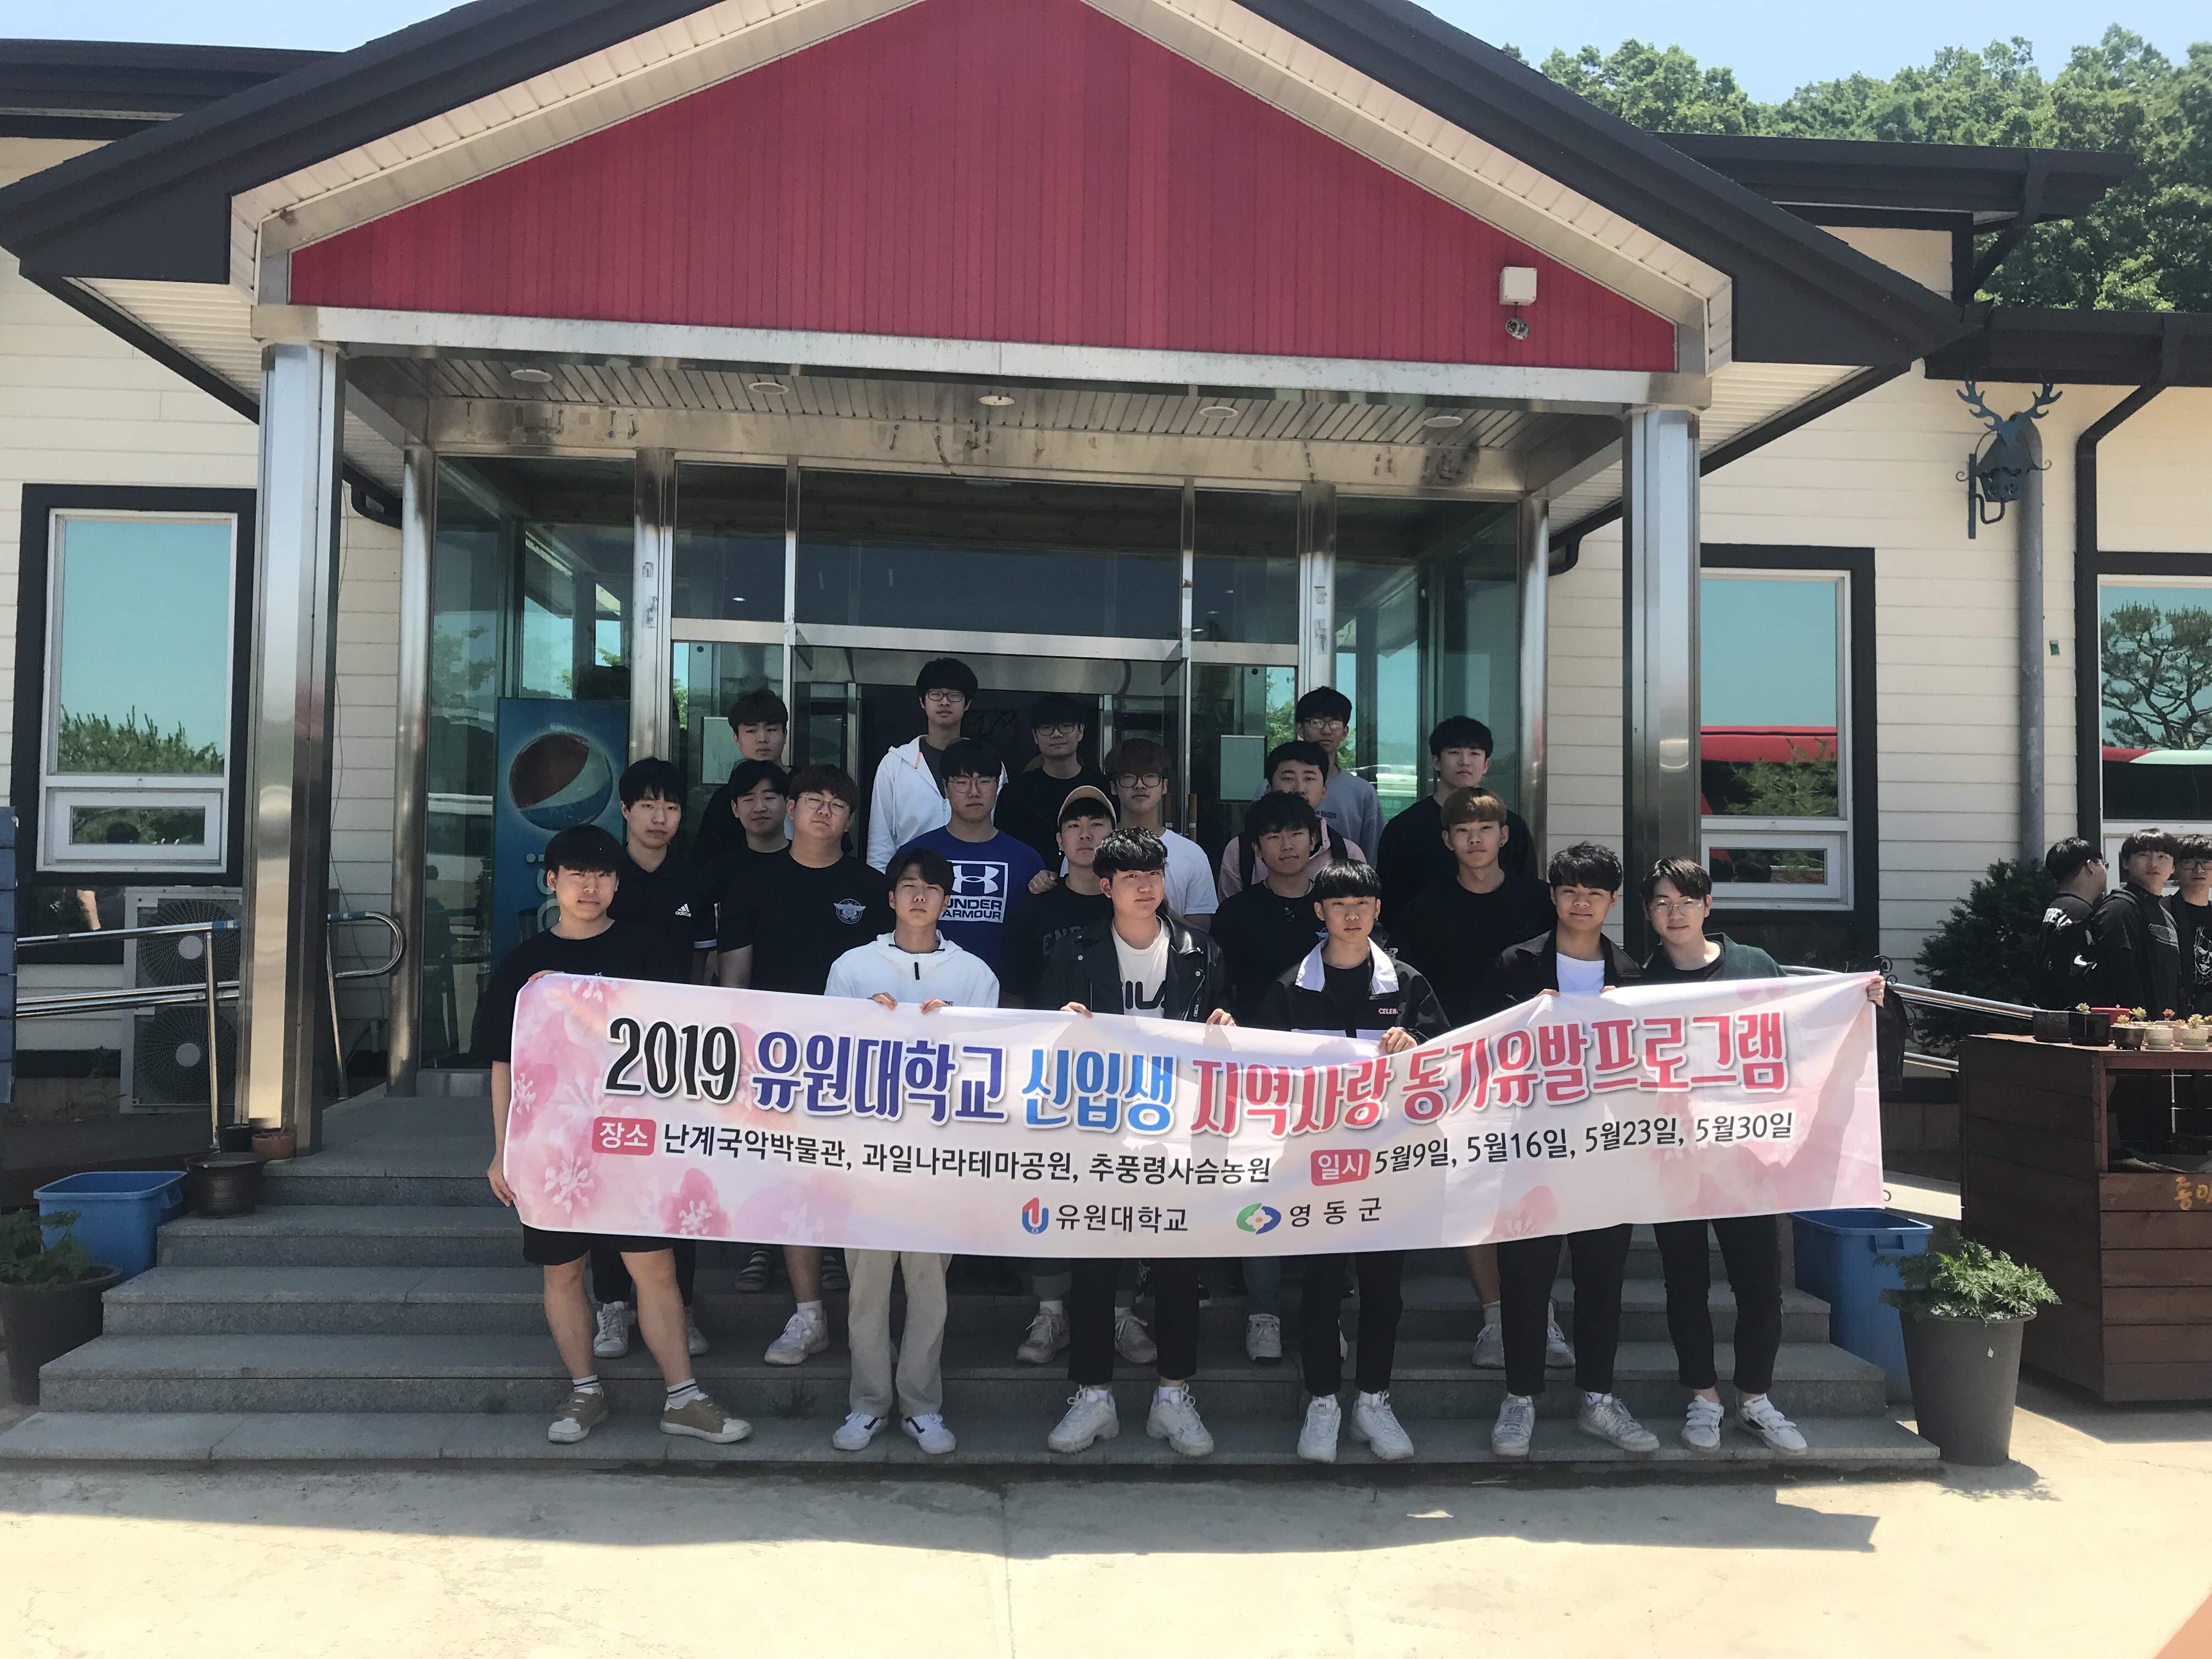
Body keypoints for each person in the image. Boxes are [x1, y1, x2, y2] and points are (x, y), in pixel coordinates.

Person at [476, 824, 748, 1448]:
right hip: (551, 1147)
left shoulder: (646, 951)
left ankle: (684, 1397)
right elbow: (503, 1063)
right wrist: (502, 1149)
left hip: (633, 1142)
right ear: (552, 881)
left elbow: (677, 1047)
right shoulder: (523, 966)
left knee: (655, 1268)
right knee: (562, 1273)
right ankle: (584, 1391)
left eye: (602, 874)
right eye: (576, 874)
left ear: (618, 884)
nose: (590, 886)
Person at [1036, 829, 1235, 1457]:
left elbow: (1232, 1035)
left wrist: (1227, 1028)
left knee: (1178, 1270)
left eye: (1155, 875)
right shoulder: (1073, 951)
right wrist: (1060, 1029)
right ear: (1106, 887)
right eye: (1131, 878)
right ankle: (1093, 1396)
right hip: (1099, 1136)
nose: (1147, 888)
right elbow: (1037, 1042)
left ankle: (1172, 1397)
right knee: (1096, 1269)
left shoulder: (1202, 951)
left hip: (1178, 1137)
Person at [1251, 861, 1448, 1464]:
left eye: (1363, 903)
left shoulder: (1408, 984)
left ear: (1378, 909)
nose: (1352, 914)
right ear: (1320, 913)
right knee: (1320, 1286)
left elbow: (1447, 1063)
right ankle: (1322, 1402)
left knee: (1384, 1289)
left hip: (1388, 1166)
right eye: (1339, 905)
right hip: (1315, 1167)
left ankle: (1373, 1401)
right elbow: (1260, 1072)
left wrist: (1416, 1046)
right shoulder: (1290, 987)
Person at [820, 845, 1001, 1457]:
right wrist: (861, 1024)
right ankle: (868, 1403)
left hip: (937, 1158)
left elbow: (992, 1067)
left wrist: (957, 1028)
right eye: (908, 885)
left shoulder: (973, 975)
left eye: (931, 888)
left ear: (947, 900)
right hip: (867, 1157)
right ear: (891, 896)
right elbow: (825, 1055)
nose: (919, 896)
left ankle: (922, 1405)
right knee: (867, 1287)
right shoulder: (852, 967)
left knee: (929, 1287)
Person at [1480, 842, 1657, 1459]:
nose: (1581, 903)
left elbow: (1653, 1068)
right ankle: (1519, 1398)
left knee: (1601, 1280)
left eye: (1595, 893)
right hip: (1529, 1147)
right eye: (1570, 891)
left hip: (1606, 1150)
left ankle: (1598, 1399)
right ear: (1553, 896)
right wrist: (1529, 1025)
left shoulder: (1634, 976)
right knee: (1526, 1278)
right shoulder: (1516, 964)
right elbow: (1480, 1051)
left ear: (1612, 902)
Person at [1639, 856, 1819, 1455]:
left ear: (1708, 905)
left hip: (1748, 1157)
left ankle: (1755, 1398)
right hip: (1674, 1160)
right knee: (1685, 1284)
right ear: (1649, 913)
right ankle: (1703, 1397)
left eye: (1687, 901)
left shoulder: (1753, 966)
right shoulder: (1640, 985)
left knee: (1760, 1286)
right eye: (1662, 903)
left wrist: (1859, 998)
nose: (1675, 913)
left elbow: (1801, 1030)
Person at [719, 765, 893, 1363]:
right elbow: (735, 979)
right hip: (777, 1059)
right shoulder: (750, 883)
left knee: (851, 1178)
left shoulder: (872, 888)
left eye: (837, 804)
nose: (824, 810)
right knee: (793, 1182)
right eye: (812, 800)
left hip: (857, 1062)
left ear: (851, 819)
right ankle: (808, 1313)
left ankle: (857, 1298)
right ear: (790, 809)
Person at [1389, 785, 1556, 1370]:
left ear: (1505, 836)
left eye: (1486, 830)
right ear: (1447, 841)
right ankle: (1495, 1317)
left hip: (1535, 1068)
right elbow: (1407, 989)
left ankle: (1541, 1315)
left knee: (1542, 1191)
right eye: (1463, 831)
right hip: (1457, 1070)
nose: (1475, 840)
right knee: (1475, 1194)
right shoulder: (1424, 910)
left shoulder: (1540, 901)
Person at [591, 759, 715, 1363]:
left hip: (676, 1054)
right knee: (609, 1178)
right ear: (625, 811)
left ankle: (679, 1304)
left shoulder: (694, 881)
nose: (660, 817)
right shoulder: (603, 877)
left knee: (677, 1178)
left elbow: (703, 966)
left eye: (670, 806)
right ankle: (613, 1304)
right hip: (604, 1051)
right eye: (648, 806)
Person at [1206, 790, 1333, 1362]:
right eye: (1274, 836)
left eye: (1297, 833)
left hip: (1327, 1076)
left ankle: (1325, 1313)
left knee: (1327, 1187)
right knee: (1259, 1185)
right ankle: (1264, 1312)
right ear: (1256, 848)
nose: (1287, 845)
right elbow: (1220, 988)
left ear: (1316, 841)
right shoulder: (1236, 913)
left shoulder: (1335, 905)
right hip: (1255, 1074)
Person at [896, 738, 1043, 972]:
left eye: (984, 781)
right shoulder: (913, 856)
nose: (974, 792)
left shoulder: (1028, 861)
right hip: (926, 985)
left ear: (998, 786)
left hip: (1003, 989)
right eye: (962, 782)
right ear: (945, 788)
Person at [1376, 717, 1535, 924]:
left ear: (1486, 764)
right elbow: (1391, 903)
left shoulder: (1510, 826)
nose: (1465, 761)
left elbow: (1527, 891)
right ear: (1436, 761)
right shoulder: (1404, 828)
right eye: (1454, 753)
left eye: (1475, 754)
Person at [868, 657, 1002, 868]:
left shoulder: (988, 764)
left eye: (954, 695)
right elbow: (880, 844)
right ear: (923, 701)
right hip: (912, 883)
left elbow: (999, 830)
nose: (945, 702)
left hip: (975, 879)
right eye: (936, 694)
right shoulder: (895, 764)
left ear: (967, 703)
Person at [998, 787, 1116, 1009]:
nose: (1085, 835)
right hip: (1046, 1029)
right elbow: (1012, 993)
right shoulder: (1033, 909)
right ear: (1060, 841)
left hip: (1116, 1030)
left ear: (1113, 836)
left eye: (1096, 824)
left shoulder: (1128, 907)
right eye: (1074, 826)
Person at [1217, 741, 1365, 901]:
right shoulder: (1241, 850)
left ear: (1324, 790)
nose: (1299, 789)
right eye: (1288, 778)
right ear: (1269, 788)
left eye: (1309, 778)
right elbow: (1229, 910)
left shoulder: (1348, 853)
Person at [1099, 737, 1217, 931]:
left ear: (1164, 786)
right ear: (1113, 787)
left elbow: (1202, 934)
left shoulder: (1192, 854)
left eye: (1150, 776)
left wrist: (1164, 911)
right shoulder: (1094, 848)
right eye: (1129, 777)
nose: (1140, 785)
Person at [1255, 687, 1384, 855]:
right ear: (1300, 729)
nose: (1326, 731)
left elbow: (1372, 853)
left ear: (1345, 732)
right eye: (1316, 723)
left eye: (1335, 723)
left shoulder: (1363, 792)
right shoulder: (1272, 786)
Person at [996, 693, 1111, 867]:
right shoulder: (1016, 793)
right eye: (1047, 728)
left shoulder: (1103, 788)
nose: (1057, 734)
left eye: (1066, 727)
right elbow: (1006, 850)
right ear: (1035, 736)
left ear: (1080, 731)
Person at [690, 689, 791, 864]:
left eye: (771, 729)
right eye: (751, 731)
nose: (762, 739)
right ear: (736, 739)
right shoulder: (724, 799)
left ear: (785, 735)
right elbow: (706, 860)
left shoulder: (808, 787)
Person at [2088, 828, 2179, 1018]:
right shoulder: (2119, 908)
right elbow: (2122, 976)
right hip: (2131, 1028)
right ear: (2126, 862)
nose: (2153, 863)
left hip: (2165, 1027)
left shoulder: (2166, 915)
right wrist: (2138, 1024)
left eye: (2162, 856)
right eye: (2143, 855)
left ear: (2173, 868)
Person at [2037, 837, 2108, 1011]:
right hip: (2072, 1013)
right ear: (2090, 866)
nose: (2105, 871)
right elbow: (2081, 973)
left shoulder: (2057, 907)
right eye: (2104, 865)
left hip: (2053, 1008)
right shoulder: (2080, 913)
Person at [2171, 834, 2212, 1017]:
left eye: (2207, 863)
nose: (2199, 870)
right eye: (2189, 862)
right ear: (2175, 868)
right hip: (2176, 1011)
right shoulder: (2163, 911)